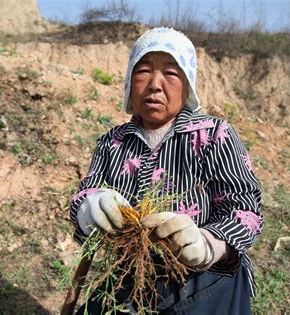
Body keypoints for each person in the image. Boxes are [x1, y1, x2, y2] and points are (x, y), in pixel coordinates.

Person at [69, 27, 263, 314]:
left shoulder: (213, 135)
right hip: (134, 276)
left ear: (188, 84)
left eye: (171, 73)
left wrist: (207, 244)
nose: (155, 85)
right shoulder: (112, 143)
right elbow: (86, 196)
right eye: (144, 71)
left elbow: (247, 210)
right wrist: (90, 209)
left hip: (203, 281)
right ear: (129, 82)